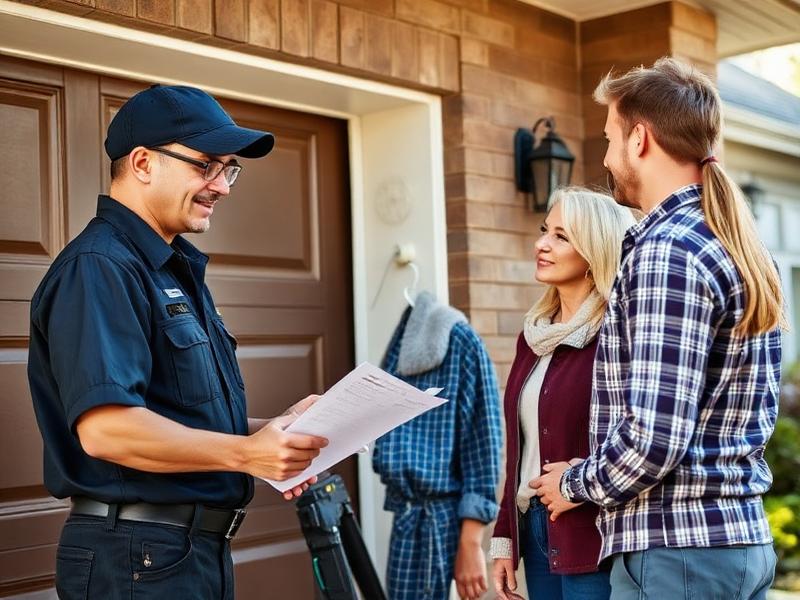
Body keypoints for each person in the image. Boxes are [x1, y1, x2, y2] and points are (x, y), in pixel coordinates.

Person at [27, 85, 329, 600]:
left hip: (181, 555)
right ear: (144, 162)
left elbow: (175, 417)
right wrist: (245, 454)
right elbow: (108, 431)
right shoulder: (100, 268)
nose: (223, 186)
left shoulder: (171, 269)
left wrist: (274, 434)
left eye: (229, 169)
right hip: (136, 557)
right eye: (207, 165)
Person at [533, 58, 785, 600]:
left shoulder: (665, 253)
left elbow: (655, 440)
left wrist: (574, 482)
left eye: (609, 138)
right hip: (737, 542)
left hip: (677, 556)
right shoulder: (738, 245)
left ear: (640, 139)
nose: (604, 157)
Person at [489, 188, 636, 600]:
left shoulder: (618, 334)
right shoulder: (533, 336)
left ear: (594, 252)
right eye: (543, 231)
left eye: (561, 236)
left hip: (593, 536)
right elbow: (520, 450)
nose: (542, 244)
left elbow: (640, 436)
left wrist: (579, 481)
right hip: (535, 529)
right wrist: (505, 539)